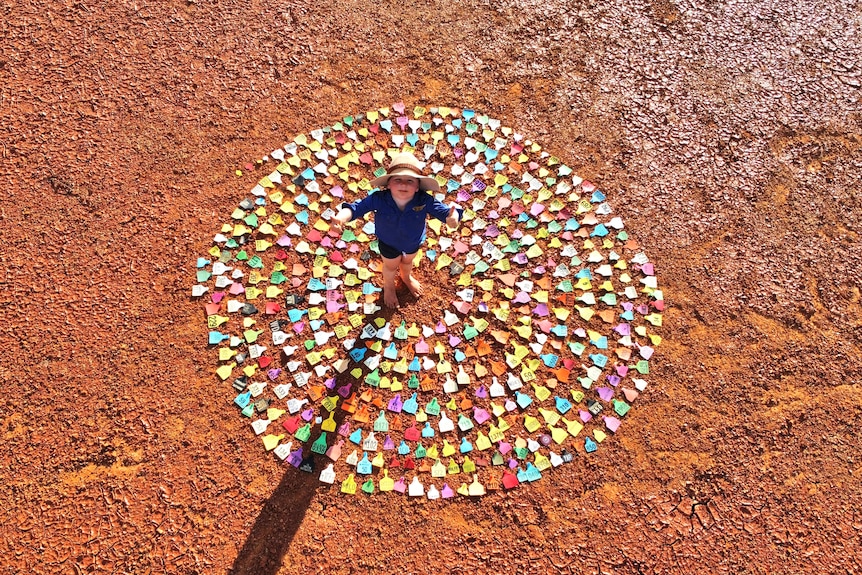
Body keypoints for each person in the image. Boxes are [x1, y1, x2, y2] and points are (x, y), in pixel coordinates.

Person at [329, 152, 460, 308]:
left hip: (413, 241)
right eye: (398, 179)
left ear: (417, 186)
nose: (403, 184)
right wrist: (341, 218)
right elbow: (357, 208)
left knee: (408, 261)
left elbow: (446, 213)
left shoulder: (424, 200)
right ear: (389, 184)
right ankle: (389, 286)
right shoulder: (378, 198)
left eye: (409, 180)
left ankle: (406, 277)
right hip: (388, 242)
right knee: (390, 266)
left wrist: (453, 218)